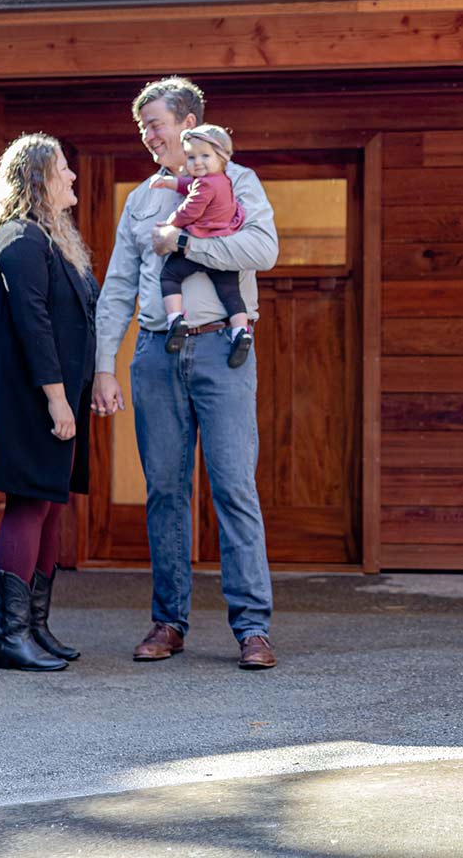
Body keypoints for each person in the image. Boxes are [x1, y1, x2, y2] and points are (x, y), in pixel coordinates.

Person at [92, 76, 278, 670]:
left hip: (224, 352)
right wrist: (104, 365)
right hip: (154, 353)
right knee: (165, 492)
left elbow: (262, 252)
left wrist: (186, 245)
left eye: (157, 123)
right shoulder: (142, 197)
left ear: (190, 119)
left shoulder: (239, 180)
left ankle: (252, 629)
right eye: (143, 126)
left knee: (233, 488)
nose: (149, 135)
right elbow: (119, 284)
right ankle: (168, 623)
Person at [0, 133, 98, 672]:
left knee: (48, 504)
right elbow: (33, 325)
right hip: (30, 398)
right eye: (63, 168)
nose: (71, 177)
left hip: (55, 396)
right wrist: (57, 400)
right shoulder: (19, 238)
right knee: (27, 504)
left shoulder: (50, 238)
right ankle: (10, 637)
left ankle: (36, 628)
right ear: (39, 178)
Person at [149, 124, 253, 368]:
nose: (197, 163)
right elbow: (190, 184)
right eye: (191, 157)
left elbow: (191, 209)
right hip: (222, 246)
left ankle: (176, 320)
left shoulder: (205, 186)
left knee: (170, 275)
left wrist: (170, 224)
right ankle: (241, 331)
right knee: (231, 293)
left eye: (205, 156)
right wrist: (170, 183)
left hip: (199, 244)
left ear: (222, 157)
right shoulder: (223, 180)